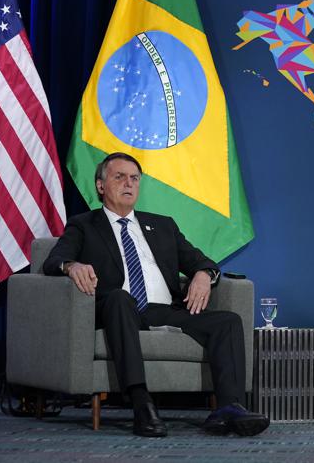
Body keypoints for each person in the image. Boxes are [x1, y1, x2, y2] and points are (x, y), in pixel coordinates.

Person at [44, 152, 269, 438]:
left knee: (227, 321)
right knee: (119, 298)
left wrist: (203, 275)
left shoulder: (162, 225)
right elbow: (54, 259)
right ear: (101, 186)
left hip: (163, 310)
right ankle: (141, 403)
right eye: (119, 177)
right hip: (117, 310)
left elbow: (202, 261)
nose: (129, 183)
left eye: (134, 178)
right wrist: (72, 265)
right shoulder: (84, 224)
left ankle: (229, 408)